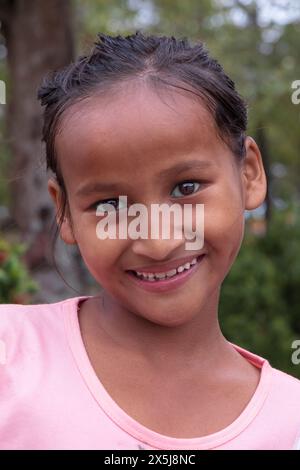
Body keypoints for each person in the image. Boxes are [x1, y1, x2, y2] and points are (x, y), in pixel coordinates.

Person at [1, 32, 300, 450]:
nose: (157, 241)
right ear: (64, 210)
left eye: (186, 187)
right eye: (110, 204)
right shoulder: (9, 356)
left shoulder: (290, 424)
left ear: (248, 173)